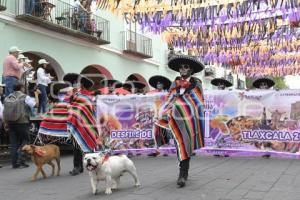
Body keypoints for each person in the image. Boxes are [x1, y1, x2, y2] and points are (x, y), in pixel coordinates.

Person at [155, 55, 205, 187]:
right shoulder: (174, 83)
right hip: (174, 118)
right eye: (181, 67)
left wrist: (181, 104)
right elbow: (169, 98)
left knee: (185, 142)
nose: (182, 69)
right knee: (179, 143)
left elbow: (198, 101)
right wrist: (164, 110)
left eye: (186, 67)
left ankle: (183, 174)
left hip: (189, 119)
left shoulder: (197, 83)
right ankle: (182, 171)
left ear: (191, 70)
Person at [63, 73, 101, 176]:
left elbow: (86, 109)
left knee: (82, 146)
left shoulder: (83, 96)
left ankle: (84, 166)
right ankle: (83, 166)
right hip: (81, 124)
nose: (77, 85)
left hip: (82, 124)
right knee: (81, 145)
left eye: (78, 83)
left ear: (81, 85)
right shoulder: (74, 96)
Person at [3, 82, 40, 168]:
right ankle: (21, 160)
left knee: (14, 143)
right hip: (22, 122)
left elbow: (4, 111)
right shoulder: (25, 97)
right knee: (25, 140)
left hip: (11, 123)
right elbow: (36, 105)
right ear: (21, 88)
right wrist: (36, 94)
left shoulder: (8, 97)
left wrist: (5, 122)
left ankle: (14, 163)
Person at [252, 77, 275, 158]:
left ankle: (267, 150)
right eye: (261, 84)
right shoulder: (255, 93)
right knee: (261, 132)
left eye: (265, 84)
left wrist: (278, 92)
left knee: (268, 132)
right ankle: (264, 150)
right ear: (259, 86)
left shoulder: (272, 93)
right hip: (259, 115)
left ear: (268, 86)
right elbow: (248, 97)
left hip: (269, 115)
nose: (263, 86)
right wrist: (246, 92)